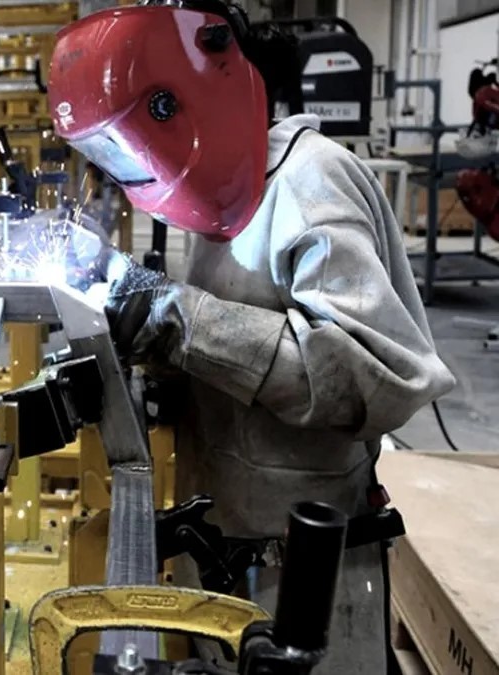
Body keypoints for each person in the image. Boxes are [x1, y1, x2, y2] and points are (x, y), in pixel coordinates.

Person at [48, 2, 455, 673]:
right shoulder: (224, 197)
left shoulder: (309, 180)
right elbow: (229, 348)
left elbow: (368, 377)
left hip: (307, 578)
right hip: (223, 552)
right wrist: (145, 350)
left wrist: (174, 315)